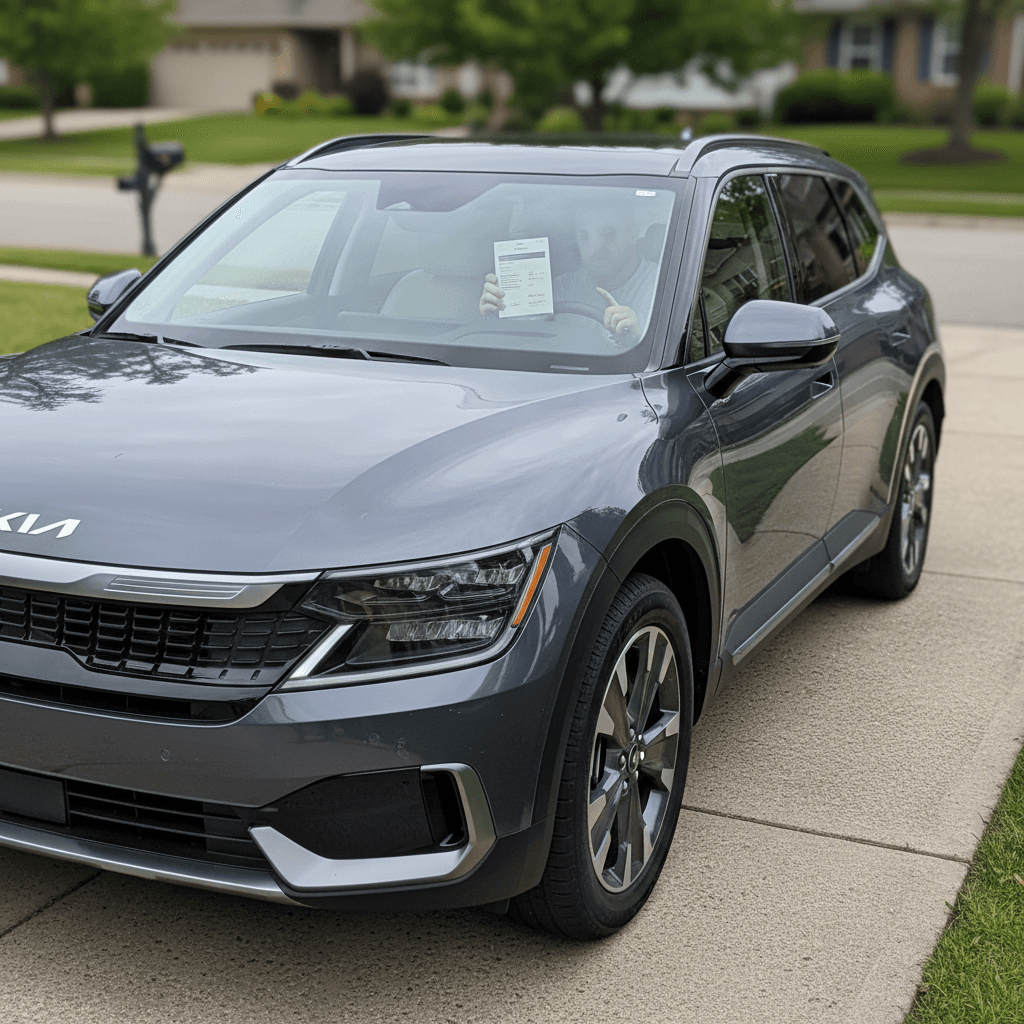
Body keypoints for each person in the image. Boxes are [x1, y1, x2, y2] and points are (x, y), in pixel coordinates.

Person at [478, 198, 657, 343]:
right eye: (584, 235)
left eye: (609, 234)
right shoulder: (559, 289)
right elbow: (522, 341)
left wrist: (638, 340)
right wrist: (497, 312)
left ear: (633, 234)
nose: (593, 249)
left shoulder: (662, 292)